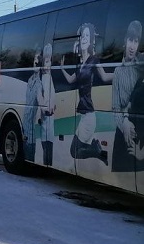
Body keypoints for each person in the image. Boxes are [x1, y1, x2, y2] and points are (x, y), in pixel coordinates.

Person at [60, 22, 112, 161]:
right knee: (75, 150)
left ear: (90, 41)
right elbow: (71, 80)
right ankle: (95, 148)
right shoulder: (80, 65)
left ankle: (96, 150)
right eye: (82, 35)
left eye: (87, 36)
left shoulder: (93, 60)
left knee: (74, 151)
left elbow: (105, 76)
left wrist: (120, 71)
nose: (84, 38)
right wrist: (62, 68)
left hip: (89, 115)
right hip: (83, 115)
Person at [109, 20, 142, 172]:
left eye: (136, 41)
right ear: (125, 41)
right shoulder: (118, 72)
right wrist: (124, 125)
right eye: (130, 40)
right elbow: (115, 108)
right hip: (123, 135)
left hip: (140, 131)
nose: (132, 46)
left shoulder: (141, 68)